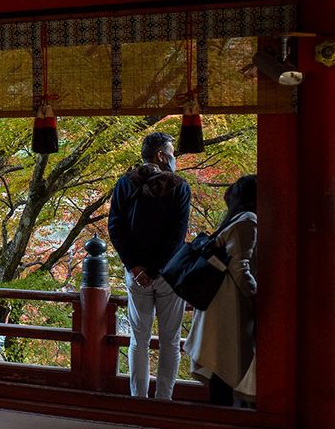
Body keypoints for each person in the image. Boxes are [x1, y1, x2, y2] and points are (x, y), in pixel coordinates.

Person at [107, 132, 191, 399]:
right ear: (161, 156)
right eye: (172, 153)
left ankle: (138, 399)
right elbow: (177, 236)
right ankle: (163, 401)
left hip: (136, 275)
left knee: (138, 340)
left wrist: (136, 267)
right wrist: (156, 269)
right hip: (169, 273)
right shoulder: (179, 186)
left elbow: (115, 228)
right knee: (170, 341)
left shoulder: (124, 184)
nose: (174, 158)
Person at [185, 174, 258, 406]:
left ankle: (220, 421)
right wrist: (256, 296)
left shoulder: (234, 220)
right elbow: (240, 265)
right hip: (230, 304)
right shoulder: (249, 222)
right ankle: (222, 423)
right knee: (225, 366)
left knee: (221, 365)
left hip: (218, 301)